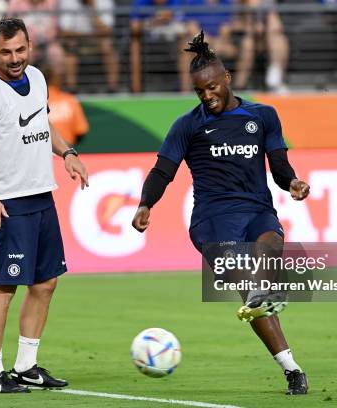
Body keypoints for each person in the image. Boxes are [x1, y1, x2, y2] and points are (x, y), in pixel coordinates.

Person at [131, 31, 310, 395]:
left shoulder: (262, 115)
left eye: (212, 87)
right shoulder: (188, 125)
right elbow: (163, 171)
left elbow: (278, 166)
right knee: (250, 288)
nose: (207, 96)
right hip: (212, 219)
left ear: (227, 78)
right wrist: (146, 203)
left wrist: (292, 183)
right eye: (200, 91)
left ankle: (270, 308)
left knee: (272, 242)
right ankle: (290, 366)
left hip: (257, 209)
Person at [0, 17, 89, 393]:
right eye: (5, 51)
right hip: (8, 203)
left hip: (41, 195)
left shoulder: (37, 78)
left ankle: (26, 365)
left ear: (30, 46)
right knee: (4, 287)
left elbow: (42, 124)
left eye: (19, 49)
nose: (14, 58)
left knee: (46, 282)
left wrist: (68, 153)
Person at [44, 65, 90, 146]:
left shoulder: (36, 101)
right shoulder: (70, 100)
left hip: (42, 152)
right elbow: (81, 131)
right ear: (56, 80)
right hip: (66, 152)